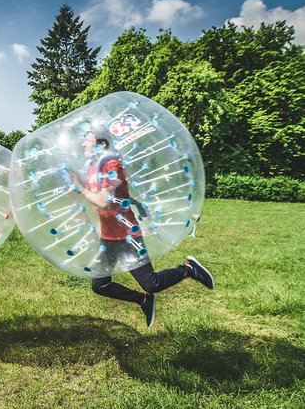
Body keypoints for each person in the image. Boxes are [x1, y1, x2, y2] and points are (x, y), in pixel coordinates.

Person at [70, 126, 214, 328]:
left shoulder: (112, 165)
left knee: (151, 283)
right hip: (109, 237)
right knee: (100, 285)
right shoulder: (93, 167)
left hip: (127, 235)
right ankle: (144, 301)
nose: (83, 143)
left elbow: (104, 202)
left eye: (88, 140)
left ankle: (189, 270)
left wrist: (80, 188)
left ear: (101, 144)